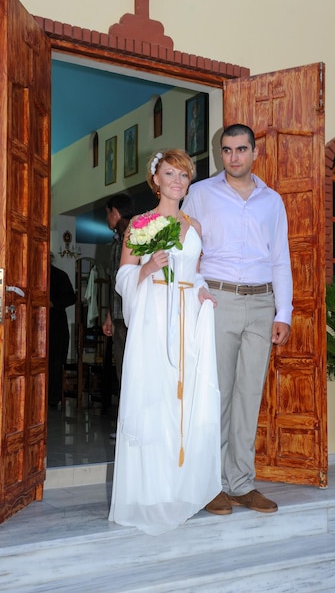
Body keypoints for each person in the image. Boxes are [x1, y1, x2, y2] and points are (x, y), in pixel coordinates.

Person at [108, 149, 221, 535]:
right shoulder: (140, 224)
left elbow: (196, 273)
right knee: (155, 400)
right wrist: (149, 268)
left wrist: (203, 292)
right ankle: (150, 492)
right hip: (155, 317)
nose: (177, 180)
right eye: (170, 173)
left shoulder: (195, 226)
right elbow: (124, 277)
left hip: (188, 317)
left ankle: (181, 488)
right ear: (155, 179)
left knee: (185, 401)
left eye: (184, 175)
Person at [182, 123, 293, 516]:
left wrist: (284, 312)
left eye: (241, 150)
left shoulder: (272, 201)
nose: (233, 157)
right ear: (221, 154)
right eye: (227, 151)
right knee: (218, 396)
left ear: (254, 152)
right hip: (218, 301)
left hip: (261, 304)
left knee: (249, 395)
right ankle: (211, 484)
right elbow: (185, 249)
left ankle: (241, 483)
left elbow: (280, 257)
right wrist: (195, 291)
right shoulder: (199, 194)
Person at [102, 194, 134, 392]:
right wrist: (109, 316)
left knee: (135, 368)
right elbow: (115, 282)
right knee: (122, 368)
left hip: (135, 314)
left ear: (115, 212)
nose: (107, 219)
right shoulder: (115, 242)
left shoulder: (140, 235)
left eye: (107, 214)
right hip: (118, 316)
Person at [48, 254, 76, 408]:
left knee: (55, 363)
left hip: (57, 327)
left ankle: (53, 398)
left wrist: (53, 303)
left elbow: (71, 297)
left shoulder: (59, 275)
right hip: (38, 326)